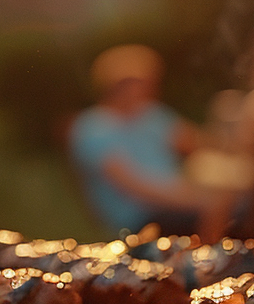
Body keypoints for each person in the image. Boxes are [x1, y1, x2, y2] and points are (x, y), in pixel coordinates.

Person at [69, 44, 229, 237]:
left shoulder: (151, 115)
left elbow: (198, 143)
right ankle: (209, 263)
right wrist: (199, 200)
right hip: (139, 220)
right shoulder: (92, 128)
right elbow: (132, 186)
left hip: (173, 204)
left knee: (244, 204)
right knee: (230, 212)